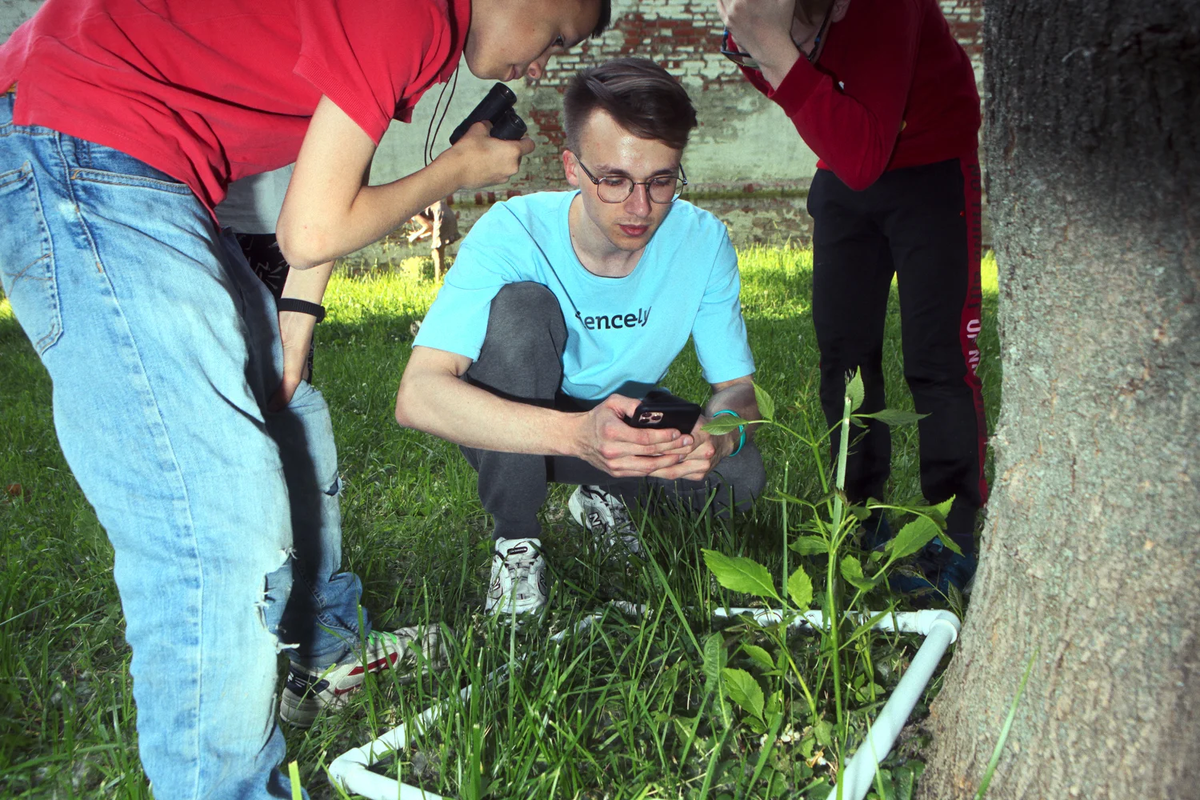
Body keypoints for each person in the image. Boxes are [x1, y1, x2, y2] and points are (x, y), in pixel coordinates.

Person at [0, 0, 609, 797]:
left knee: (292, 410)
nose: (542, 65)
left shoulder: (416, 31)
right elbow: (314, 230)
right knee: (214, 518)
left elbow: (314, 186)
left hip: (130, 153)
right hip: (81, 143)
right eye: (557, 36)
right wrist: (456, 170)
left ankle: (322, 639)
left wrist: (294, 320)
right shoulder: (414, 14)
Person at [395, 58, 766, 617]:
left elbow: (740, 390)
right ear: (572, 167)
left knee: (742, 477)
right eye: (613, 180)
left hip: (622, 419)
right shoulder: (512, 230)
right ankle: (516, 540)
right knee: (522, 308)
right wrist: (576, 435)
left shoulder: (703, 240)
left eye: (661, 180)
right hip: (523, 425)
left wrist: (720, 434)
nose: (639, 208)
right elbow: (417, 396)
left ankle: (602, 495)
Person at [718, 0, 987, 595]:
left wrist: (777, 47)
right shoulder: (755, 13)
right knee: (843, 356)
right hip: (842, 168)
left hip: (931, 163)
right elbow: (808, 106)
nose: (808, 53)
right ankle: (861, 516)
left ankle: (958, 530)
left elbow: (865, 152)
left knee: (937, 360)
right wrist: (763, 44)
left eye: (809, 38)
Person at [408, 197, 461, 280]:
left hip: (441, 215)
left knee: (437, 253)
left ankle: (439, 282)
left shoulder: (412, 213)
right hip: (448, 214)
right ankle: (443, 278)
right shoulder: (420, 207)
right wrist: (421, 235)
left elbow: (427, 226)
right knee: (439, 251)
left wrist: (414, 236)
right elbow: (434, 229)